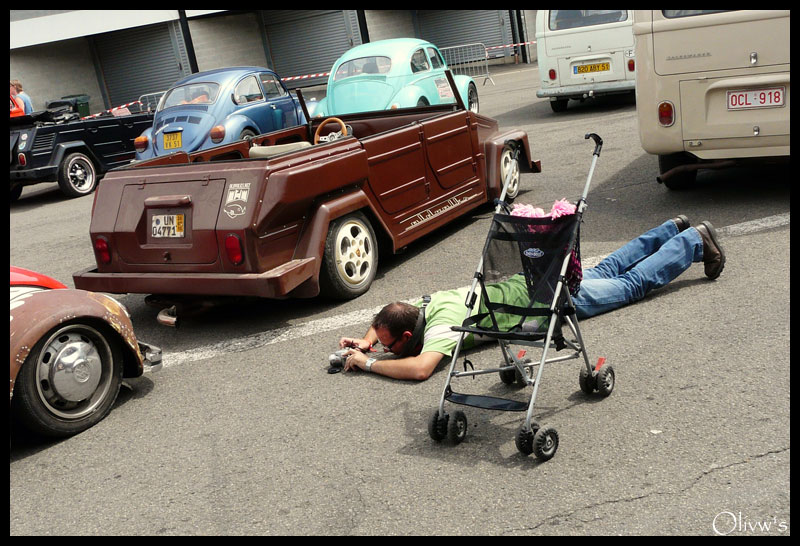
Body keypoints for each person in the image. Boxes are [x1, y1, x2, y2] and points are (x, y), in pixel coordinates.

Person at [338, 216, 725, 381]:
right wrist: (367, 342)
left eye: (388, 346)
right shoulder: (423, 306)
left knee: (630, 287)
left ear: (408, 338)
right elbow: (384, 318)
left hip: (548, 300)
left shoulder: (441, 329)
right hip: (536, 277)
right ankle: (669, 230)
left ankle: (692, 241)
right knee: (605, 270)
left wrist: (370, 364)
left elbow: (421, 369)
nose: (382, 349)